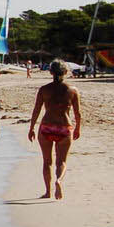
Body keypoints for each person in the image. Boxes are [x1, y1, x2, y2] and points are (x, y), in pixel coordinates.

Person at [27, 60, 82, 199]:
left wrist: (32, 128)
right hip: (64, 127)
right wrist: (78, 128)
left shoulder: (44, 89)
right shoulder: (72, 90)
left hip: (46, 127)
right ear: (66, 72)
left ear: (50, 72)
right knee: (61, 161)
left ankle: (47, 192)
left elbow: (36, 111)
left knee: (47, 161)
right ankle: (59, 181)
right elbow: (78, 113)